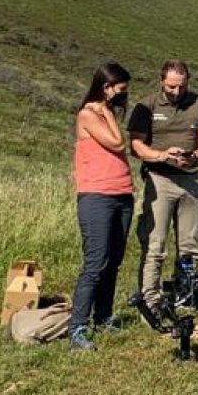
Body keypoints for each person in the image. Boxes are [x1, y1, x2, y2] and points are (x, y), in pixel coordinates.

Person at [127, 60, 198, 329]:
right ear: (161, 82)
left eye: (181, 86)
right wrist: (162, 156)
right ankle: (150, 300)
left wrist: (196, 155)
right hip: (159, 178)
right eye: (171, 86)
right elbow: (136, 146)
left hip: (190, 179)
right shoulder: (148, 105)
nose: (176, 92)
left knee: (190, 242)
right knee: (155, 244)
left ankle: (185, 296)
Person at [68, 62, 135, 351]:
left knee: (113, 262)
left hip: (122, 194)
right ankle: (78, 328)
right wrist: (107, 111)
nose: (123, 97)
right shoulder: (88, 114)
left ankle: (104, 316)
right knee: (95, 263)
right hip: (97, 196)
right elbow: (118, 143)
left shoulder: (106, 113)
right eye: (120, 91)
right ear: (106, 88)